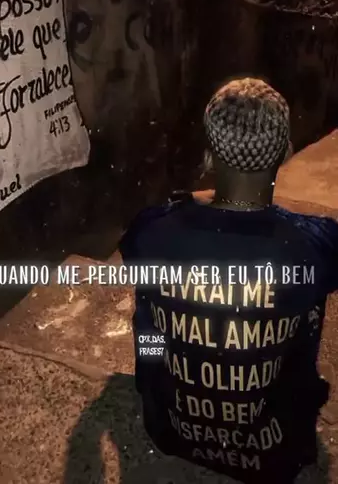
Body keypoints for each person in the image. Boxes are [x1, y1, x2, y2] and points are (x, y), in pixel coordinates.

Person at [119, 78, 338, 484]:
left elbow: (141, 284)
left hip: (170, 430)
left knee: (149, 316)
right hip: (275, 452)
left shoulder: (151, 230)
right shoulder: (315, 243)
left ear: (207, 155)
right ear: (286, 152)